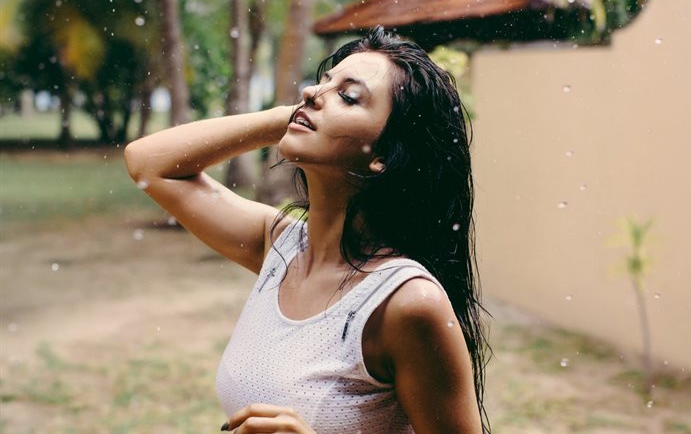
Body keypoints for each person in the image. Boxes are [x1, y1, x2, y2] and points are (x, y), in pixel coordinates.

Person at [124, 26, 490, 434]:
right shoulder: (278, 247)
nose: (313, 93)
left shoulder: (406, 303)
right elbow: (148, 165)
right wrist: (293, 117)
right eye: (323, 81)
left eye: (348, 96)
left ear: (383, 155)